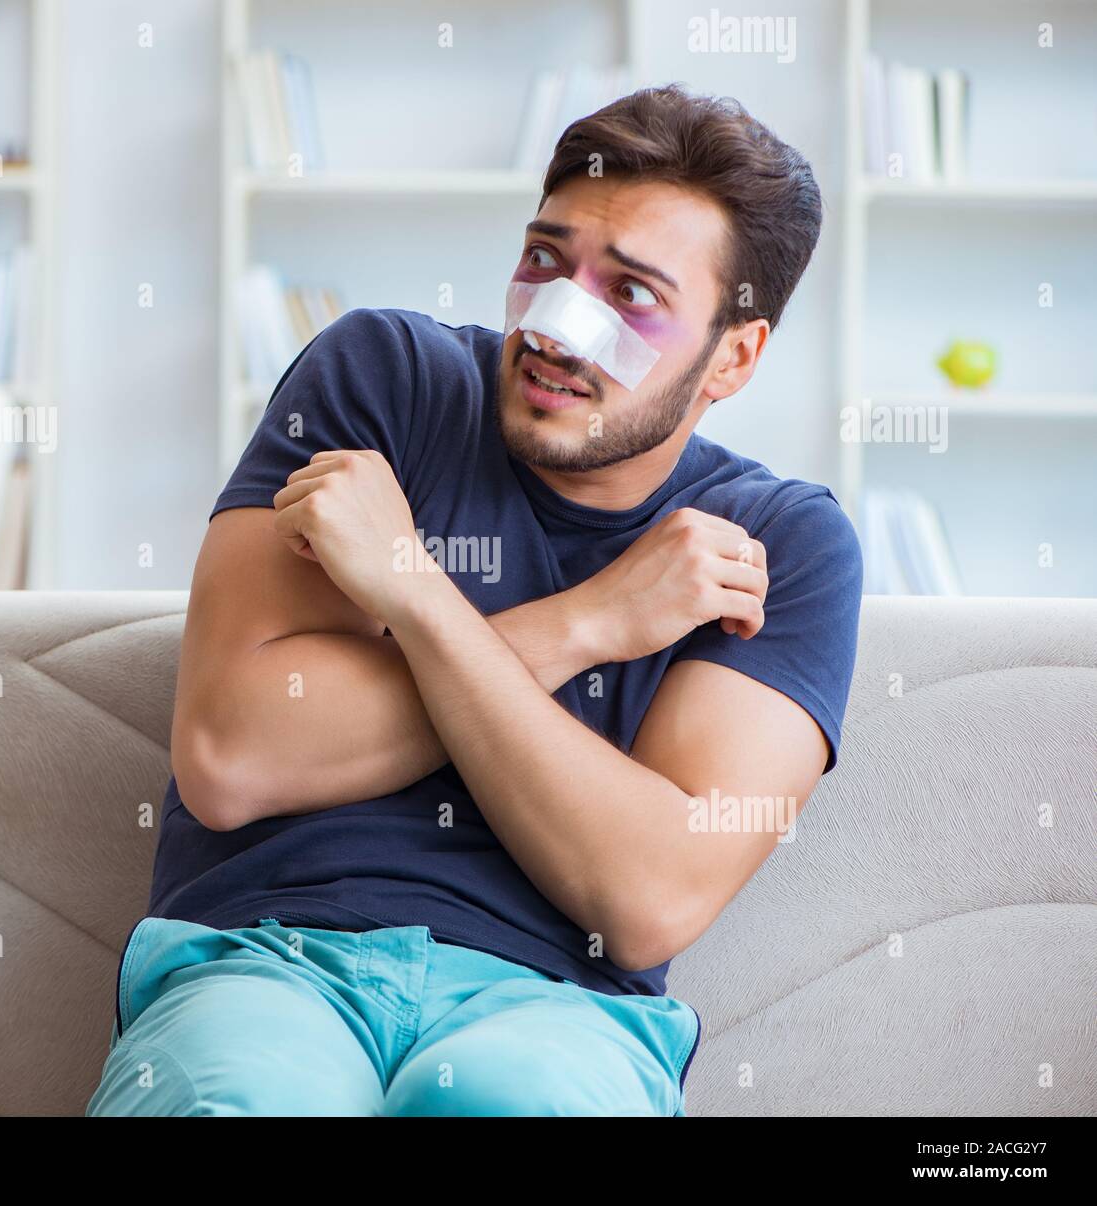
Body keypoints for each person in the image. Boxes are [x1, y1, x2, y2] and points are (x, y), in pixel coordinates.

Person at [87, 84, 863, 1117]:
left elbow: (643, 898)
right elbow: (233, 758)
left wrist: (405, 585)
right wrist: (592, 619)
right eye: (545, 260)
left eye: (630, 295)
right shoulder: (383, 380)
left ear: (734, 354)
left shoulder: (777, 543)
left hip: (562, 1009)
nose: (554, 326)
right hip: (266, 963)